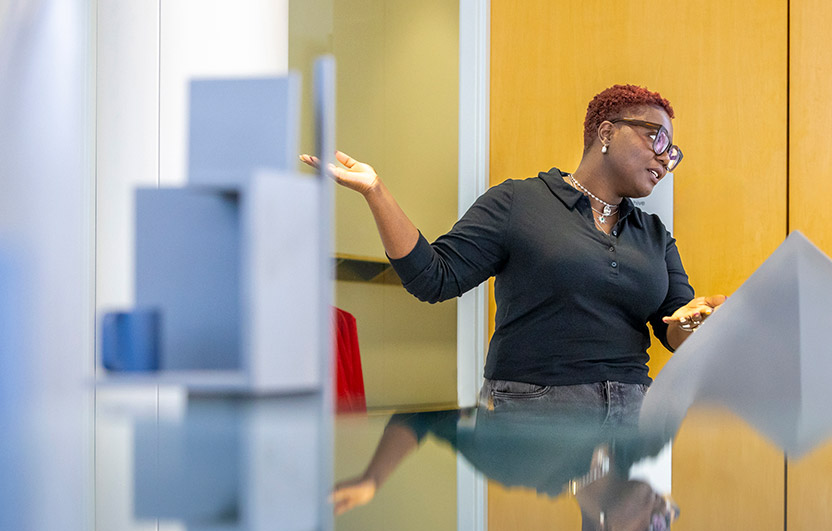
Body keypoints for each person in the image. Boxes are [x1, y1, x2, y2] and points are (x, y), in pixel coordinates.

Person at [301, 83, 726, 422]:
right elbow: (434, 277)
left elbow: (673, 327)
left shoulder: (653, 233)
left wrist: (696, 320)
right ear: (607, 132)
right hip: (536, 411)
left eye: (672, 152)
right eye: (657, 138)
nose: (664, 158)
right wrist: (376, 191)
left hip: (632, 413)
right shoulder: (518, 203)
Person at [333, 408, 679, 531]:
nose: (662, 512)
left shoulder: (523, 466)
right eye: (669, 518)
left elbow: (426, 414)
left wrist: (373, 479)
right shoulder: (645, 435)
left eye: (654, 530)